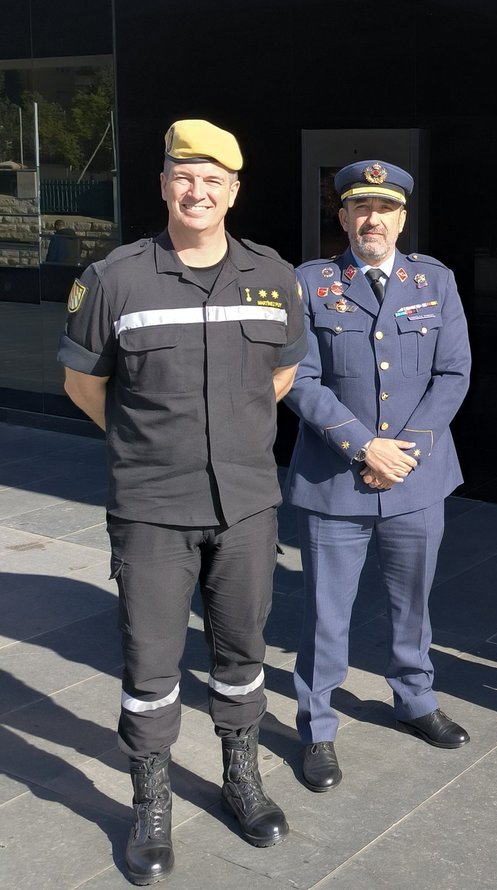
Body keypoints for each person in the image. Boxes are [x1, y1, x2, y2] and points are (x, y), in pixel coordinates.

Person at [58, 119, 306, 884]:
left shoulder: (275, 276)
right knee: (151, 661)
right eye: (183, 176)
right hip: (153, 508)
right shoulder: (115, 278)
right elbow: (82, 383)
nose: (197, 191)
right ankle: (151, 802)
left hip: (247, 504)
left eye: (213, 180)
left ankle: (241, 778)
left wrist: (228, 438)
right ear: (164, 184)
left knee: (241, 654)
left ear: (234, 191)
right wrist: (148, 446)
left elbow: (283, 374)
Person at [284, 160, 472, 793]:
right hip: (335, 482)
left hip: (416, 481)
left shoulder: (434, 281)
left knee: (411, 603)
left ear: (402, 217)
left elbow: (454, 374)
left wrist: (405, 450)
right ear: (342, 218)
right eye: (359, 208)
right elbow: (297, 380)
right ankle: (317, 724)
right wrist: (364, 446)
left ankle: (415, 698)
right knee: (323, 613)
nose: (372, 219)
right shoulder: (311, 283)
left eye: (384, 208)